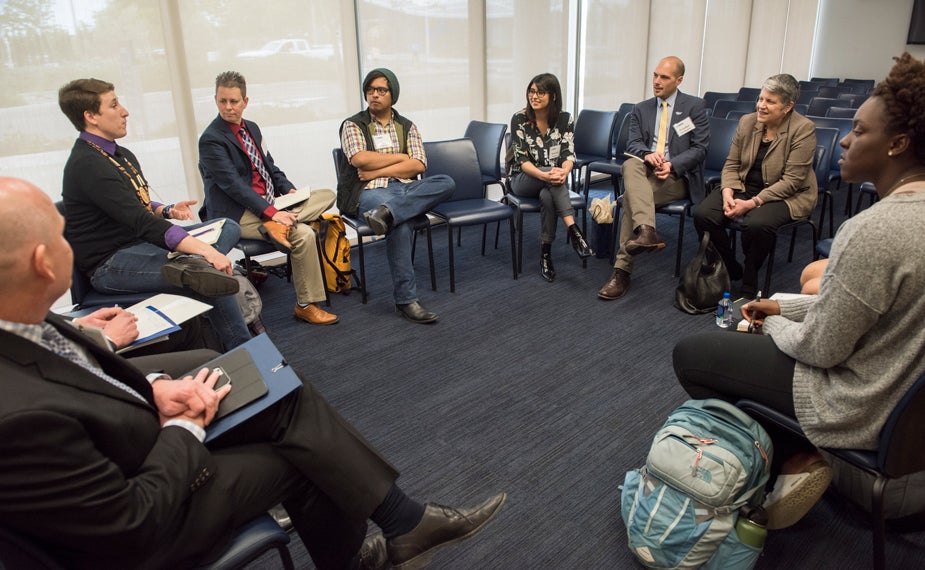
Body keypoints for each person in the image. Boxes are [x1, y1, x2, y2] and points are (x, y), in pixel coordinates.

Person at [0, 175, 506, 570]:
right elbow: (128, 524)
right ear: (45, 263)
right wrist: (183, 429)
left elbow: (75, 376)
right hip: (141, 524)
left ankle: (403, 522)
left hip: (128, 436)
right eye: (64, 234)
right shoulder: (19, 419)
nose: (75, 243)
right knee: (296, 456)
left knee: (268, 378)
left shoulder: (23, 320)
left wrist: (152, 387)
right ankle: (375, 544)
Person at [673, 53, 925, 530]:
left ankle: (794, 459)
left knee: (692, 355)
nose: (846, 140)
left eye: (859, 131)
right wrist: (784, 302)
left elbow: (822, 349)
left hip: (858, 402)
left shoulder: (875, 229)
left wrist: (771, 323)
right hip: (905, 400)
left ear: (899, 144)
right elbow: (877, 310)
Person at [59, 78, 252, 350]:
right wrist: (206, 251)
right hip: (111, 263)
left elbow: (138, 202)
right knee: (211, 278)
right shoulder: (87, 164)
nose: (125, 111)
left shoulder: (118, 153)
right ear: (90, 117)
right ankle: (247, 354)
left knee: (229, 226)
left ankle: (189, 263)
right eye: (114, 105)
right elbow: (140, 221)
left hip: (143, 244)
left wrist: (167, 210)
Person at [199, 71, 339, 326]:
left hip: (269, 206)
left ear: (245, 101)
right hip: (236, 212)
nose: (228, 107)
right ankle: (307, 305)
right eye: (222, 101)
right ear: (216, 100)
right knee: (305, 234)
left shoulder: (252, 128)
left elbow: (270, 167)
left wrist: (290, 191)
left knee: (327, 194)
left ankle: (279, 225)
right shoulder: (211, 140)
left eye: (233, 101)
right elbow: (234, 186)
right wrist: (272, 213)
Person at [338, 68, 455, 324]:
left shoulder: (407, 126)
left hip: (404, 188)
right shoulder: (353, 125)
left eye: (382, 90)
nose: (375, 95)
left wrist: (378, 169)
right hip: (368, 192)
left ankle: (388, 213)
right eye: (370, 90)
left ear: (393, 94)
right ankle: (406, 300)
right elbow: (360, 159)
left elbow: (419, 165)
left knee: (446, 182)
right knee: (399, 223)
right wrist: (401, 158)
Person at [692, 73, 817, 298]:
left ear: (788, 106)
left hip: (787, 194)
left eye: (770, 101)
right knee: (703, 214)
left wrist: (751, 203)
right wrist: (728, 192)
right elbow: (731, 164)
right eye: (760, 99)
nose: (761, 105)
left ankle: (750, 274)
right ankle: (731, 266)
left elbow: (792, 181)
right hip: (745, 185)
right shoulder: (747, 122)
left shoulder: (803, 129)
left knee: (757, 224)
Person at [598, 56, 710, 300]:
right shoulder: (642, 108)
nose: (657, 81)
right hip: (645, 171)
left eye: (664, 77)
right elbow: (633, 143)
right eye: (655, 75)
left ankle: (621, 272)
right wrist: (648, 155)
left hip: (678, 177)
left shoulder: (695, 107)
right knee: (630, 164)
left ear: (679, 80)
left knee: (629, 199)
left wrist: (671, 164)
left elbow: (700, 149)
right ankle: (647, 230)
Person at [509, 72, 594, 282]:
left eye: (540, 92)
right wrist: (547, 174)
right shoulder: (519, 119)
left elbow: (568, 153)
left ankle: (545, 255)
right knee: (552, 177)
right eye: (531, 91)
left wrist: (565, 170)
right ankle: (574, 231)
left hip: (552, 180)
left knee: (548, 196)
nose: (534, 96)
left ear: (553, 96)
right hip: (523, 179)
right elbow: (522, 161)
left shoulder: (565, 119)